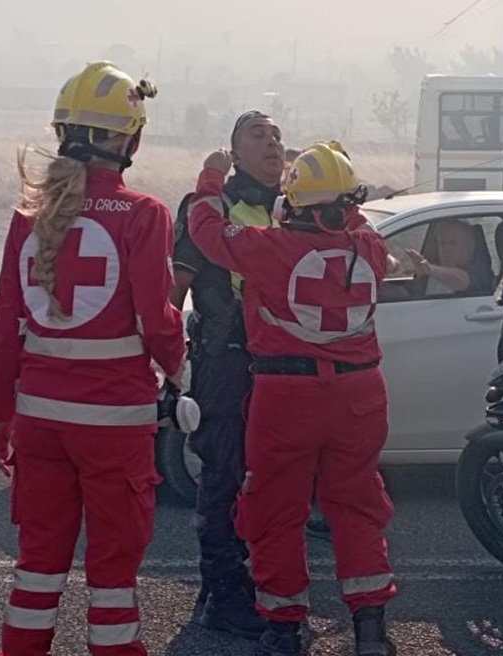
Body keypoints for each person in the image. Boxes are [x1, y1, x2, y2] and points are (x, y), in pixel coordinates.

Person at [0, 61, 186, 656]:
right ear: (128, 138)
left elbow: (5, 330)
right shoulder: (146, 214)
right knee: (113, 581)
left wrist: (0, 416)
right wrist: (183, 371)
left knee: (37, 569)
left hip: (40, 421)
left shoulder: (28, 218)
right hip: (114, 427)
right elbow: (157, 322)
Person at [189, 142, 397, 656]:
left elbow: (206, 231)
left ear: (294, 205)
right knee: (357, 507)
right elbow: (357, 219)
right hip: (361, 392)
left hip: (286, 395)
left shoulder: (270, 248)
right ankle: (370, 631)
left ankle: (283, 629)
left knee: (274, 510)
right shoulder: (369, 247)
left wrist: (211, 178)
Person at [170, 110, 285, 639]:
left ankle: (235, 583)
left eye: (278, 135)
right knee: (223, 479)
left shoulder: (291, 210)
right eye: (258, 135)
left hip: (279, 368)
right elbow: (173, 293)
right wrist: (168, 368)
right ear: (234, 153)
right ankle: (222, 595)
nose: (273, 143)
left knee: (265, 483)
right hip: (226, 364)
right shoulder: (206, 206)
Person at [405, 218, 493, 296]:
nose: (446, 249)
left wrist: (430, 270)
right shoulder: (434, 274)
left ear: (468, 246)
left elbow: (461, 280)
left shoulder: (480, 273)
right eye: (442, 243)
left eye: (453, 243)